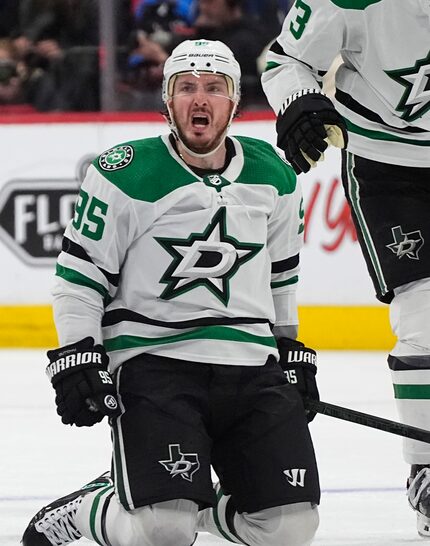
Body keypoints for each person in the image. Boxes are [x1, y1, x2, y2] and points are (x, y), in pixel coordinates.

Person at [21, 39, 320, 546]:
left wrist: (290, 347)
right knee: (161, 531)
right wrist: (77, 352)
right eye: (185, 88)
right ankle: (98, 507)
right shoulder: (126, 171)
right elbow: (80, 275)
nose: (199, 99)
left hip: (251, 368)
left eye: (212, 88)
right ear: (167, 101)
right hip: (154, 365)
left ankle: (178, 500)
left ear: (234, 102)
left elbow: (281, 275)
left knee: (290, 528)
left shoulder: (275, 174)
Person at [261, 0, 430, 537]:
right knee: (425, 316)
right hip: (391, 167)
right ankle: (428, 468)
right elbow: (284, 60)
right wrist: (300, 100)